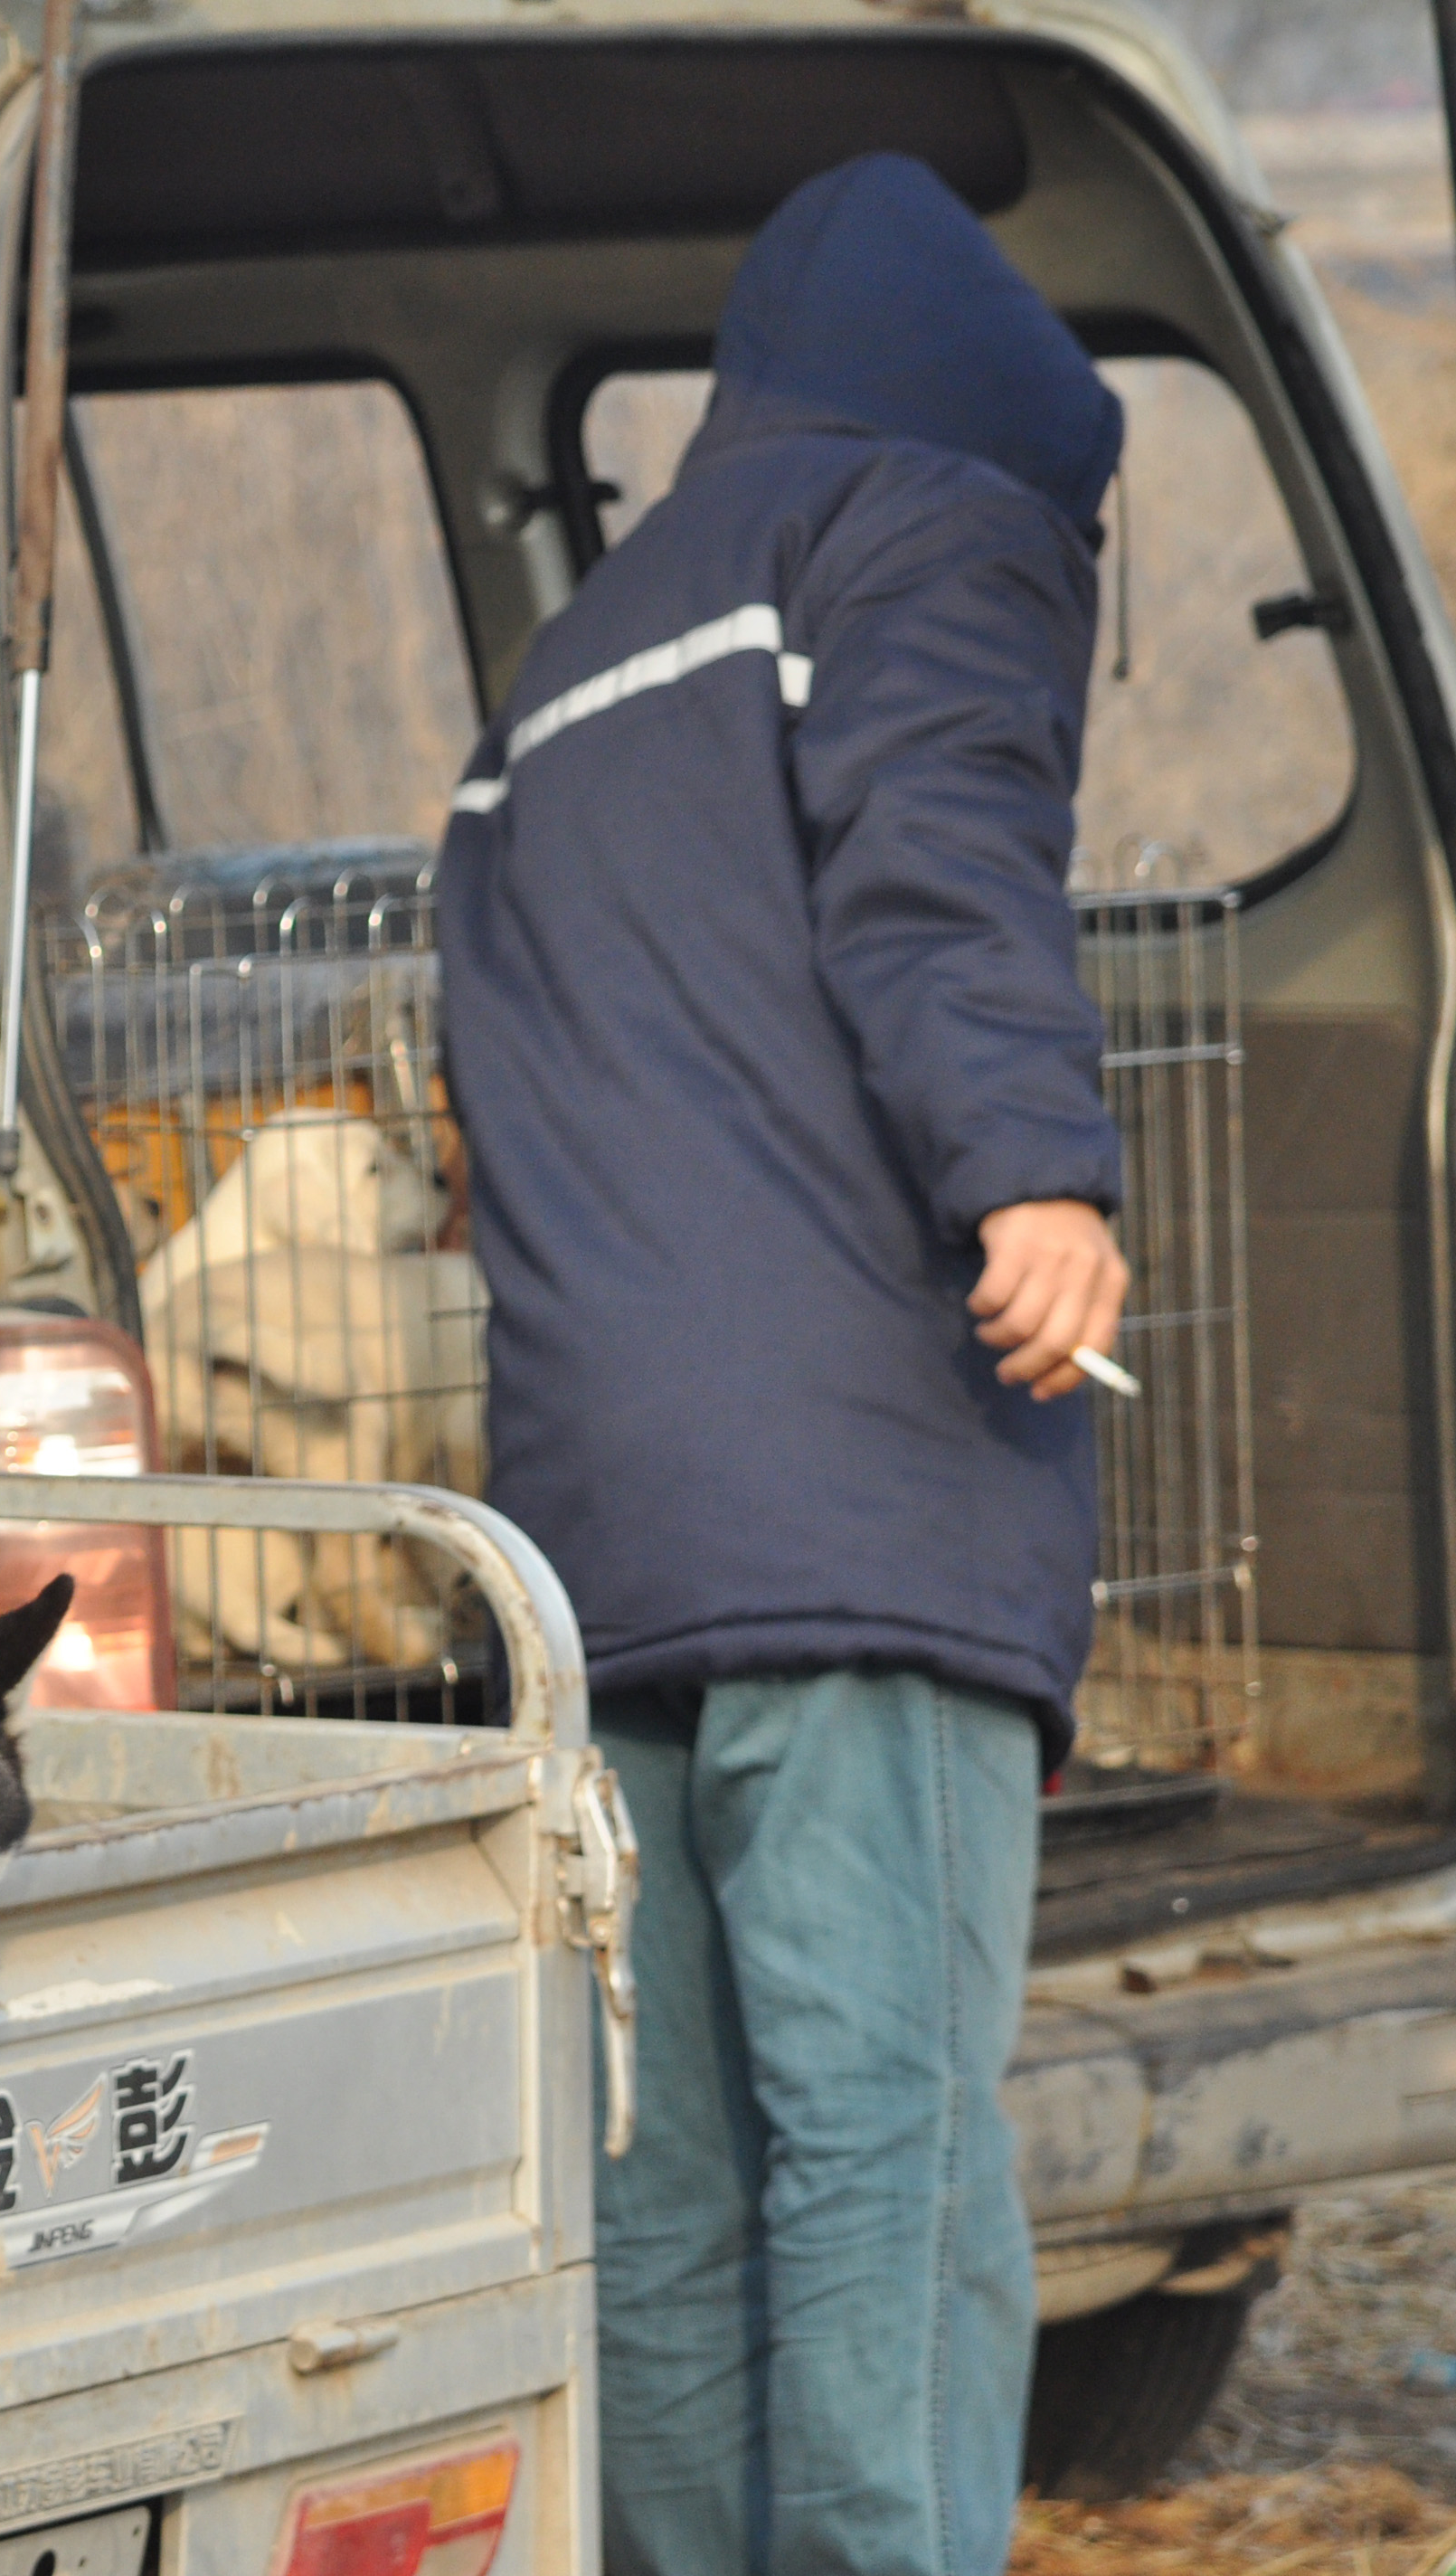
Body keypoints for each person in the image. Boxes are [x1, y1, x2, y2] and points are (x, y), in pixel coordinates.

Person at [436, 153, 1131, 2576]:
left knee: (680, 2173)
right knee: (892, 2151)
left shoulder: (571, 659)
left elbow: (504, 1084)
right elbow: (940, 853)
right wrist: (1031, 1163)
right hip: (860, 1509)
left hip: (604, 1529)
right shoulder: (927, 532)